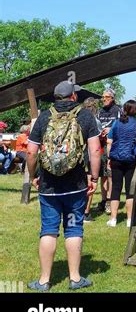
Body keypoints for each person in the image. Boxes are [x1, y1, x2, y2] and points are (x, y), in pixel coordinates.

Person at [26, 81, 101, 291]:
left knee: (48, 230)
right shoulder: (85, 116)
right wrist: (93, 178)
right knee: (73, 228)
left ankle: (43, 281)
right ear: (74, 97)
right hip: (75, 186)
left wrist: (34, 176)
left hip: (48, 186)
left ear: (55, 97)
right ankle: (75, 278)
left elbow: (31, 152)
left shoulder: (43, 116)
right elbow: (95, 151)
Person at [106, 100, 136, 228]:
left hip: (116, 159)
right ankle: (130, 219)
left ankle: (113, 219)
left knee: (116, 188)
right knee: (130, 190)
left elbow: (109, 141)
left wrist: (109, 157)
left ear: (124, 109)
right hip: (131, 159)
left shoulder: (116, 123)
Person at [97, 89, 121, 215]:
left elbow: (123, 126)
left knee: (111, 174)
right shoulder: (100, 111)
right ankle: (103, 200)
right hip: (100, 145)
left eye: (107, 97)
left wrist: (111, 130)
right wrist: (99, 131)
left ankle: (110, 202)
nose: (104, 99)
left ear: (112, 98)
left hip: (112, 146)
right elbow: (95, 125)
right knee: (103, 175)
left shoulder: (118, 110)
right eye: (103, 97)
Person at [82, 99, 103, 222]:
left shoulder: (76, 119)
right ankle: (86, 213)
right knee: (90, 184)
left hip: (78, 156)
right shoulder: (95, 121)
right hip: (90, 157)